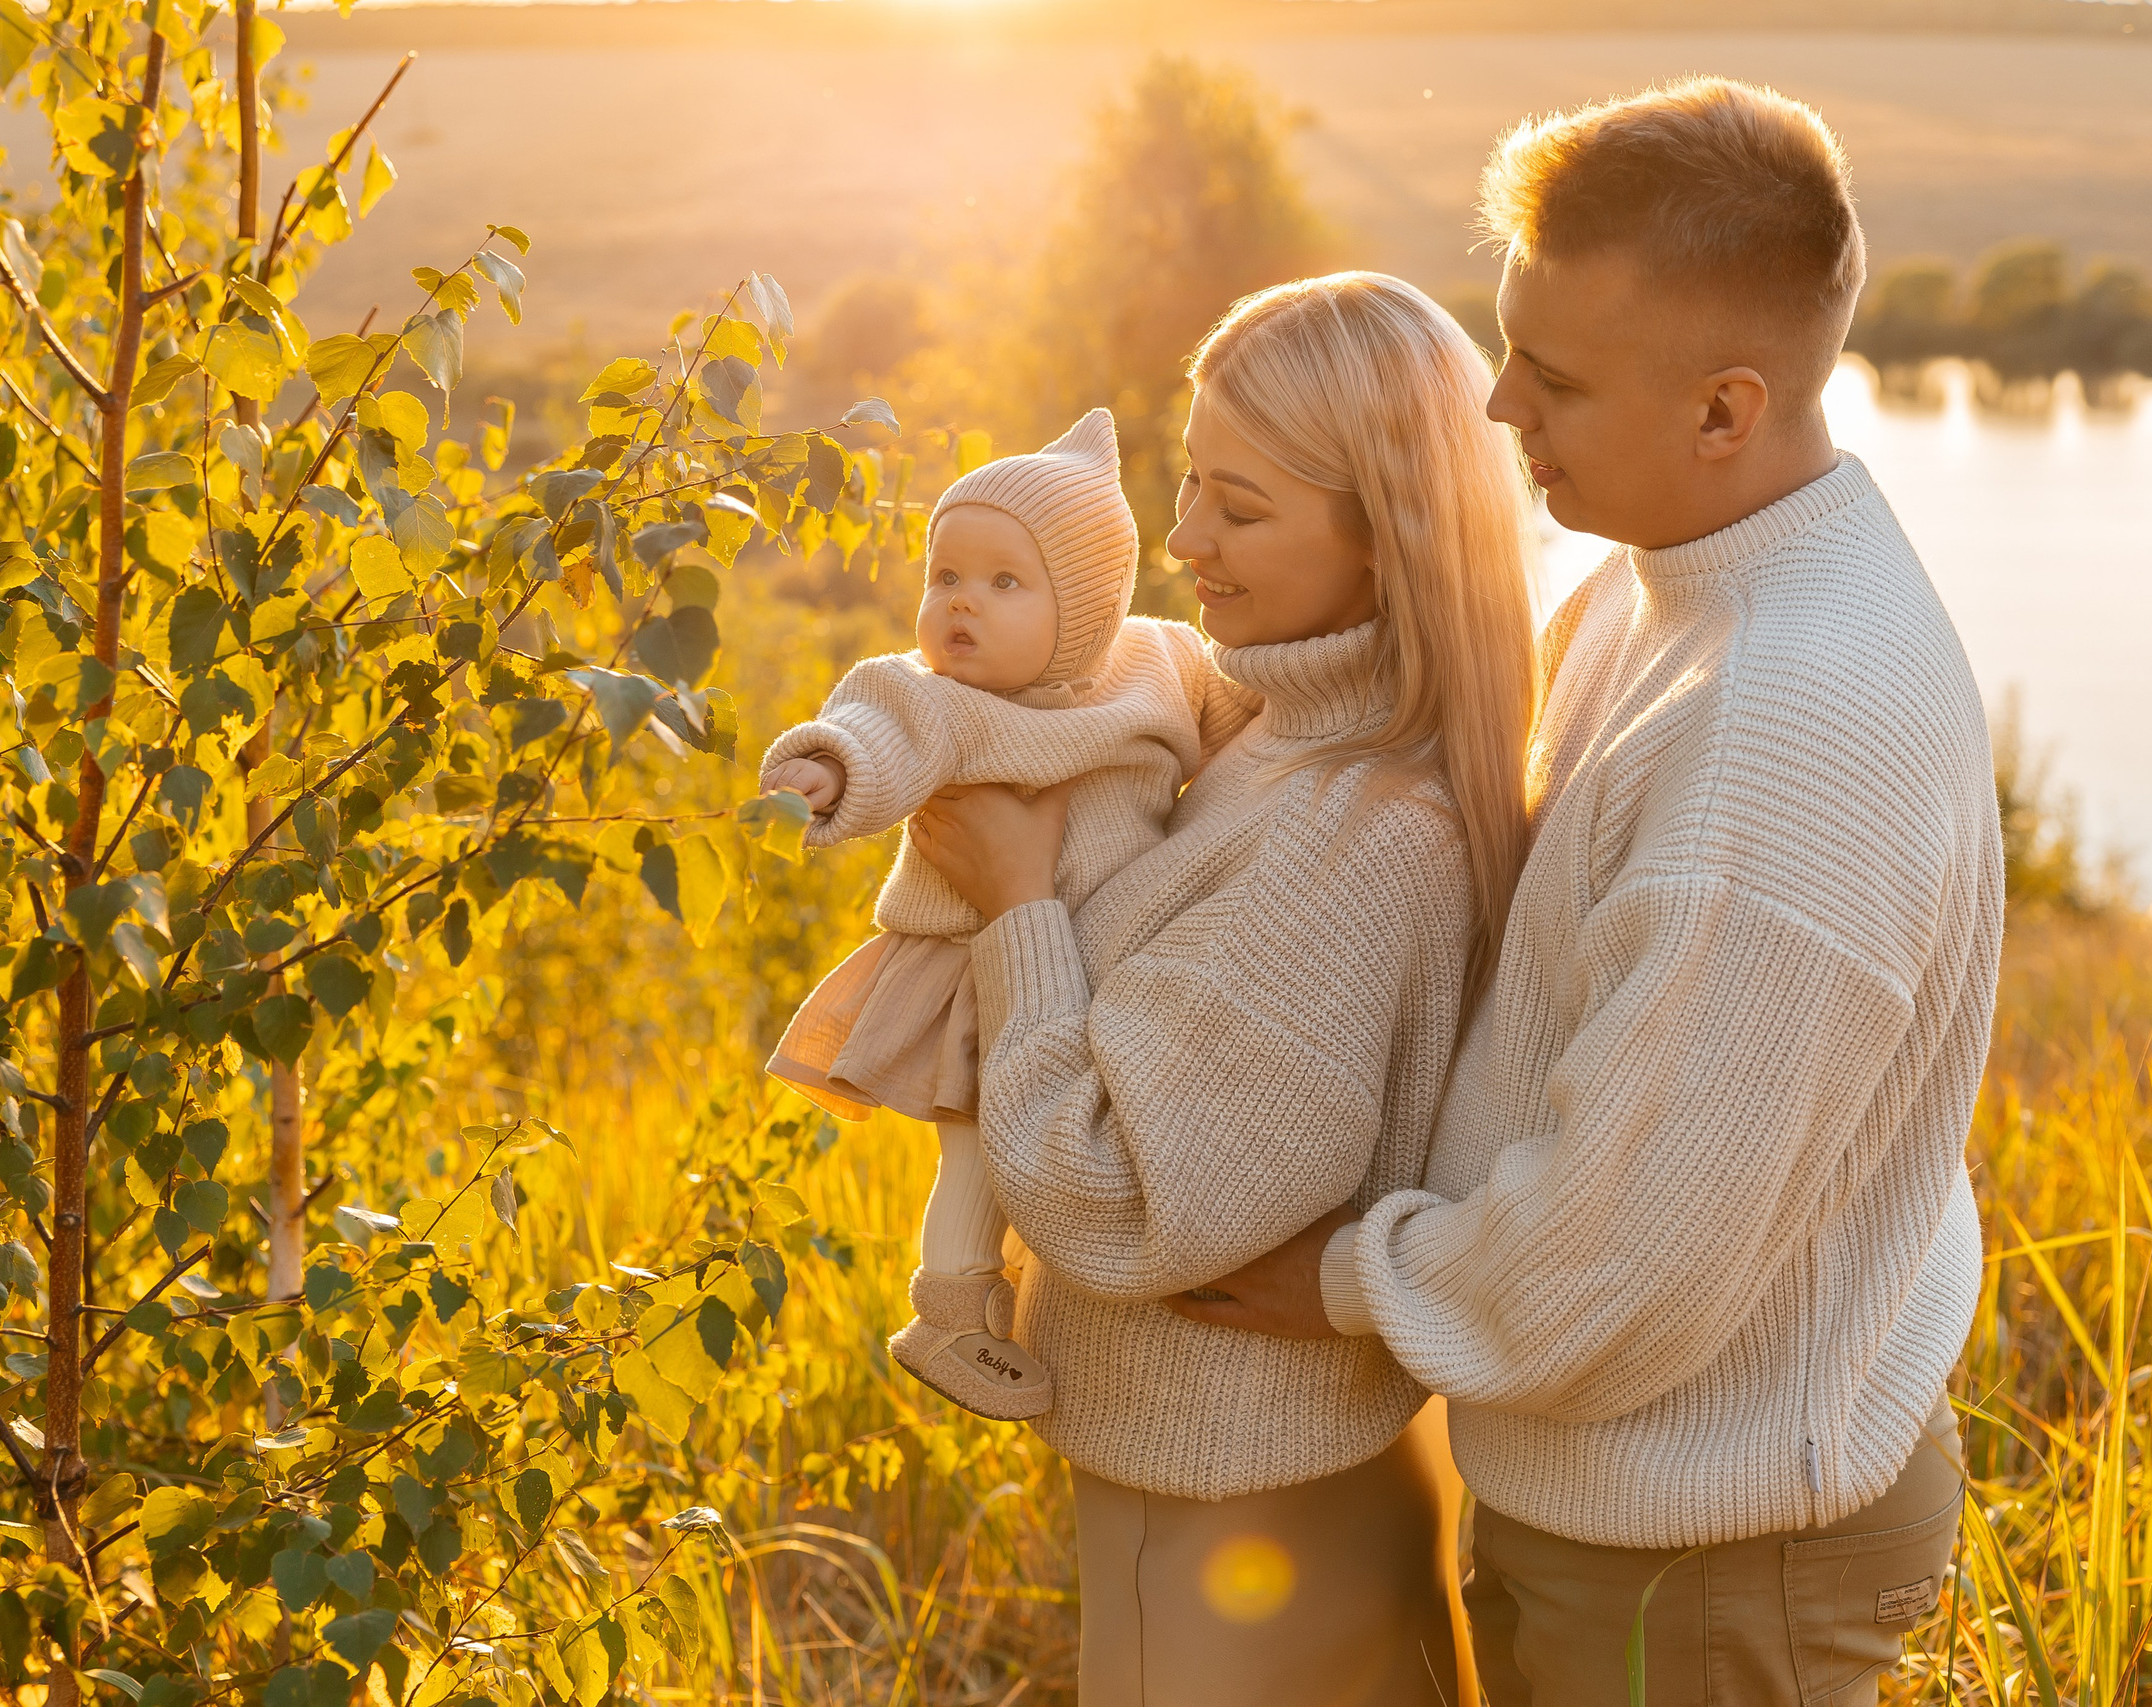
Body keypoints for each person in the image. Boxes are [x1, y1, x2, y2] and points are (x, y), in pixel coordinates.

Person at [1169, 81, 2006, 1704]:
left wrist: (1351, 1279)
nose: (1494, 409)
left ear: (1723, 408)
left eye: (1550, 380)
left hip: (1705, 1555)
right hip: (1663, 1501)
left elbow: (1627, 1258)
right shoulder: (1677, 575)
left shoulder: (1781, 732)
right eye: (1506, 349)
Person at [907, 272, 1537, 1707]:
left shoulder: (1359, 832)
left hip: (1235, 1517)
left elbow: (1120, 1197)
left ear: (1387, 537)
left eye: (1238, 508)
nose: (1180, 538)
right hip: (1276, 1475)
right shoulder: (1277, 732)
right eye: (1188, 480)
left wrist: (1016, 903)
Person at [758, 409, 1256, 1421]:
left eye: (1002, 582)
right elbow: (878, 729)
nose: (959, 608)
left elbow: (1248, 718)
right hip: (986, 966)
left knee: (1083, 1140)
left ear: (1082, 606)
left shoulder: (1157, 661)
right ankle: (949, 1310)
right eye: (943, 577)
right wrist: (827, 770)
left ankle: (1044, 1284)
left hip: (1117, 970)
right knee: (982, 1147)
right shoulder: (935, 698)